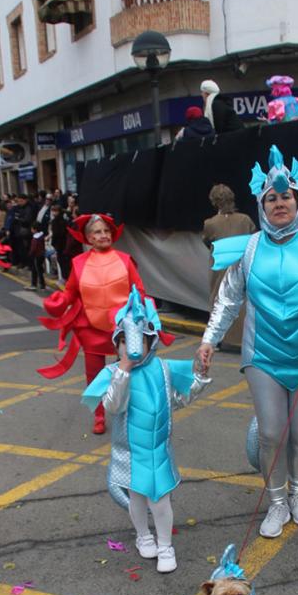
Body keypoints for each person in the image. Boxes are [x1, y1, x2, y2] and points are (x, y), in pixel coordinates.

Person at [196, 145, 298, 538]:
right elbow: (228, 298)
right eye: (272, 198)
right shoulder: (249, 248)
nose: (280, 203)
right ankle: (276, 502)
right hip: (263, 356)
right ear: (261, 204)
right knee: (272, 432)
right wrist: (208, 341)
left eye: (287, 196)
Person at [82, 287, 210, 573]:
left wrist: (198, 378)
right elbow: (113, 407)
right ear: (117, 343)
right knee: (137, 496)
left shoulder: (163, 369)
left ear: (152, 341)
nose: (133, 347)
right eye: (124, 342)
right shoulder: (113, 373)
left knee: (160, 498)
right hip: (129, 451)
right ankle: (143, 535)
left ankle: (165, 545)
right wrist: (124, 369)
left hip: (158, 449)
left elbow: (178, 400)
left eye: (140, 340)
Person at [37, 213, 146, 435]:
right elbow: (70, 292)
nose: (104, 235)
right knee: (94, 375)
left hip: (121, 329)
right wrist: (59, 302)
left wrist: (140, 310)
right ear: (88, 238)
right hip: (91, 327)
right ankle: (98, 415)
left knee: (125, 373)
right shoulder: (79, 263)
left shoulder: (125, 260)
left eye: (106, 231)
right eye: (98, 232)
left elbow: (139, 290)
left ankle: (126, 413)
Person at [202, 184, 256, 349]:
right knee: (244, 302)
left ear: (214, 202)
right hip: (242, 265)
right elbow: (254, 237)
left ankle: (218, 339)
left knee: (218, 300)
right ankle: (245, 339)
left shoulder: (210, 223)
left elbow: (206, 241)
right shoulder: (245, 220)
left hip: (220, 268)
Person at [28, 221, 46, 291]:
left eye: (32, 229)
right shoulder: (41, 236)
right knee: (38, 270)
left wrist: (30, 254)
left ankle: (38, 284)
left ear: (35, 229)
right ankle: (39, 284)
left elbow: (33, 248)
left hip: (36, 255)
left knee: (36, 270)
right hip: (41, 255)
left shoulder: (36, 238)